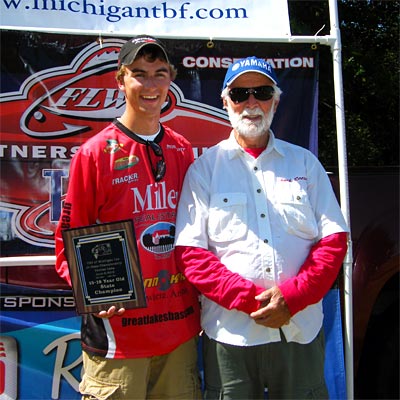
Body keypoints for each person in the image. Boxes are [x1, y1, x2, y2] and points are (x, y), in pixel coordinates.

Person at [174, 56, 349, 400]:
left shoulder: (305, 163)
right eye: (240, 93)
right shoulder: (204, 169)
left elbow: (333, 241)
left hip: (299, 329)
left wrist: (293, 298)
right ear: (225, 102)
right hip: (231, 336)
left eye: (262, 92)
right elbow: (191, 254)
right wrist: (252, 301)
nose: (251, 103)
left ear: (276, 100)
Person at [55, 35, 202, 399]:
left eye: (159, 73)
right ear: (120, 80)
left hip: (179, 334)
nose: (150, 85)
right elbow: (68, 243)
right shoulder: (94, 154)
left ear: (171, 80)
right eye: (139, 74)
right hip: (117, 337)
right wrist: (93, 290)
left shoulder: (182, 149)